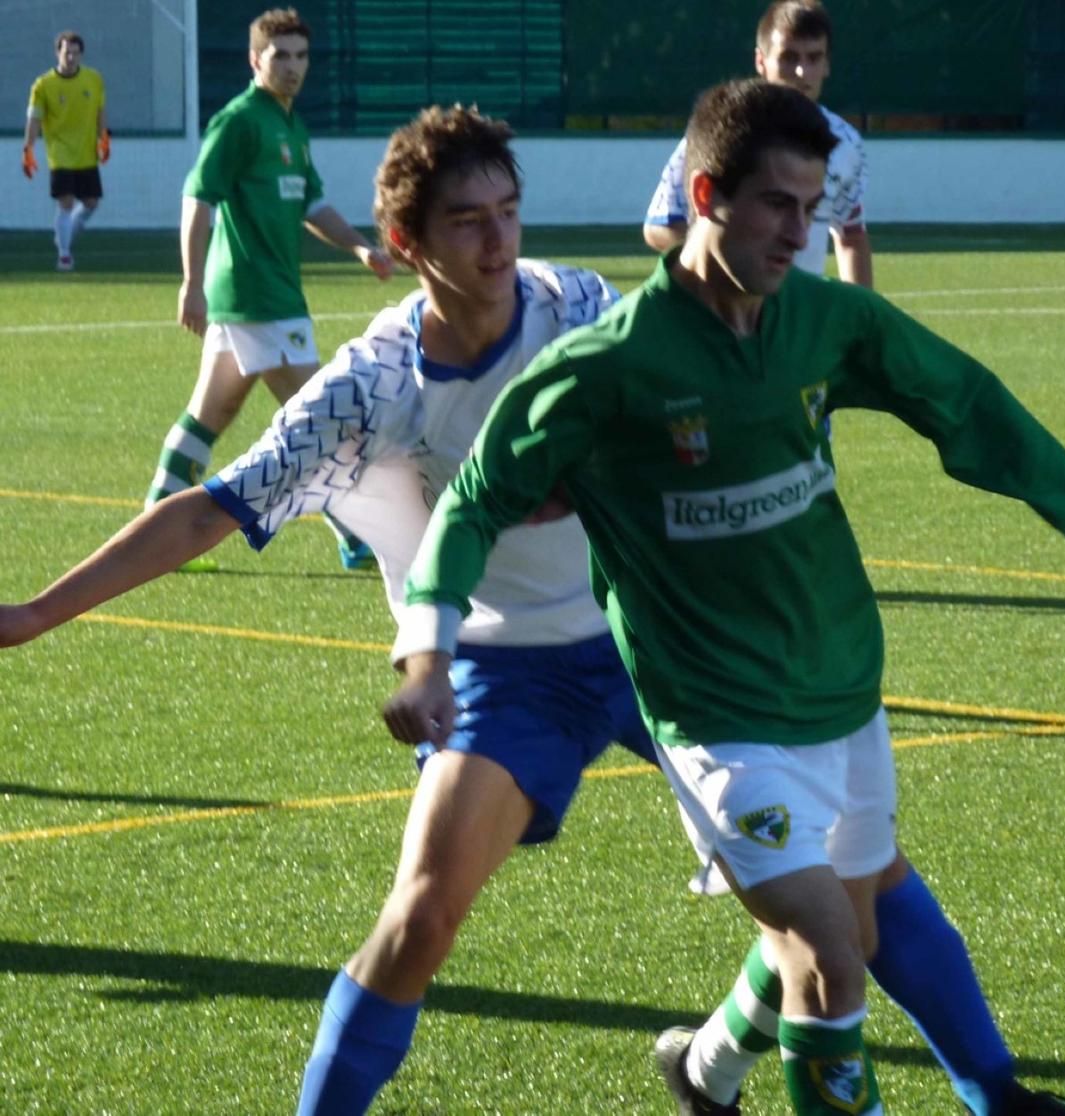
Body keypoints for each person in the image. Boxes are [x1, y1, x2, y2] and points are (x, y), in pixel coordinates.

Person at [387, 79, 1065, 1116]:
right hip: (717, 720)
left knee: (851, 934)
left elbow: (965, 403)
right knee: (829, 956)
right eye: (778, 206)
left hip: (841, 691)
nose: (802, 231)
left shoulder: (825, 323)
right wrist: (428, 649)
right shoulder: (606, 369)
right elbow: (475, 504)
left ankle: (705, 1073)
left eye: (813, 206)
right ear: (707, 194)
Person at [0, 103, 660, 1116]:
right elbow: (210, 511)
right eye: (467, 221)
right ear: (406, 243)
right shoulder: (374, 384)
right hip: (490, 659)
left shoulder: (575, 305)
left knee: (827, 873)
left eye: (509, 213)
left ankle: (729, 1063)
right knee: (424, 921)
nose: (498, 242)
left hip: (647, 632)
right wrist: (36, 615)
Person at [146, 6, 392, 572]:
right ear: (257, 59)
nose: (293, 66)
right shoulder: (239, 121)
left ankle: (156, 520)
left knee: (209, 416)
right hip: (256, 297)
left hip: (269, 297)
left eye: (301, 55)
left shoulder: (291, 126)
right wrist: (191, 282)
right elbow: (198, 198)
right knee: (323, 420)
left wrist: (359, 246)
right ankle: (356, 536)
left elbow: (313, 204)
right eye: (280, 55)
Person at [644, 0, 871, 286]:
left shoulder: (845, 144)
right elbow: (659, 226)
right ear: (761, 61)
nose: (802, 72)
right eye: (789, 57)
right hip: (722, 313)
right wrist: (729, 271)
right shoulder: (722, 129)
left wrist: (862, 324)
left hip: (794, 319)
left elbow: (850, 235)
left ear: (827, 65)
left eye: (814, 58)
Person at [23, 30, 108, 272]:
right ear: (57, 53)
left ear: (81, 55)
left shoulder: (94, 80)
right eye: (65, 52)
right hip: (59, 153)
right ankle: (64, 254)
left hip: (86, 152)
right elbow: (34, 119)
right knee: (66, 202)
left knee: (91, 203)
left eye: (75, 53)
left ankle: (66, 233)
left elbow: (100, 111)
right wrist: (28, 149)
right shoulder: (43, 85)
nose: (70, 57)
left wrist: (104, 139)